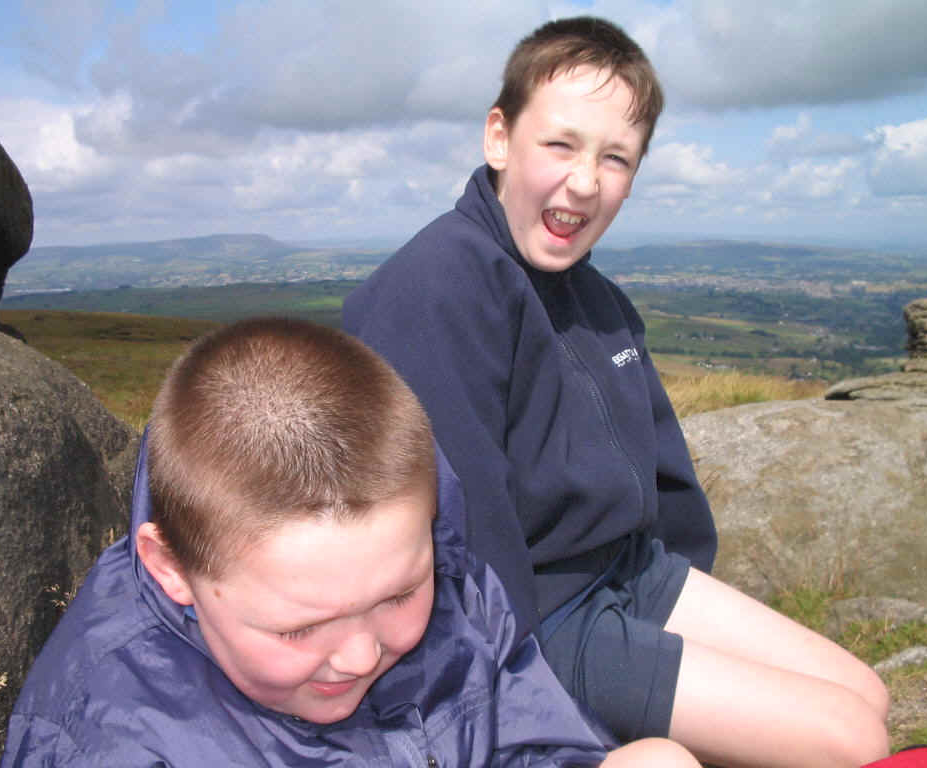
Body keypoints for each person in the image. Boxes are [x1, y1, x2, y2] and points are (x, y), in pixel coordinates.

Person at [343, 15, 890, 768]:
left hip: (631, 575)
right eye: (560, 145)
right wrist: (525, 711)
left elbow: (661, 471)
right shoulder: (440, 287)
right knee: (849, 738)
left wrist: (677, 615)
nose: (584, 181)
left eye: (616, 158)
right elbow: (459, 535)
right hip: (539, 618)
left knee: (867, 694)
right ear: (499, 137)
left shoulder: (596, 301)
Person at [0, 316, 700, 767]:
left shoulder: (448, 575)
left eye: (399, 594)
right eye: (302, 628)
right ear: (171, 569)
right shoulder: (108, 741)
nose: (363, 653)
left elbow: (533, 738)